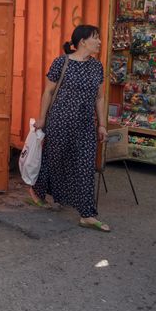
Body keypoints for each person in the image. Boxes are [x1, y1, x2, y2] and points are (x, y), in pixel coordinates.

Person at [28, 24, 110, 232]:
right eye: (96, 38)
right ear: (83, 42)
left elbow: (99, 98)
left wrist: (101, 125)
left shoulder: (96, 67)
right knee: (54, 159)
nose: (99, 41)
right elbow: (48, 92)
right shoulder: (61, 62)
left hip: (85, 125)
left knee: (84, 165)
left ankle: (87, 214)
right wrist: (42, 119)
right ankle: (36, 192)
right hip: (60, 121)